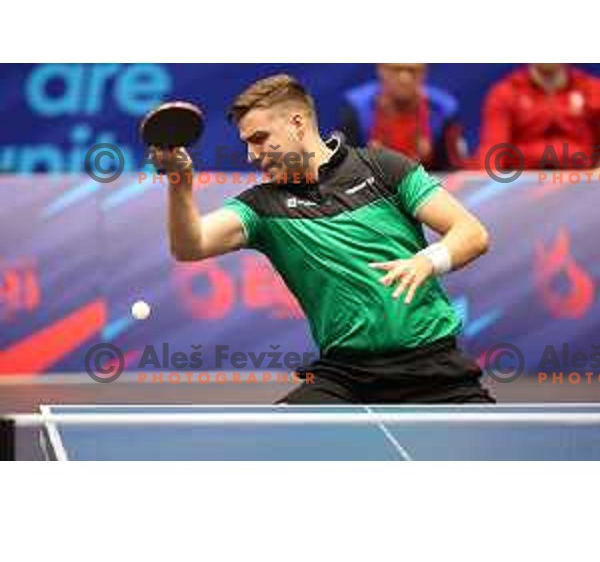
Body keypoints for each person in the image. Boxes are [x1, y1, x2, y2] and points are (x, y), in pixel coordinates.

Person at [152, 74, 493, 404]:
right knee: (272, 447)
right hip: (345, 376)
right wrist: (180, 184)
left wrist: (426, 261)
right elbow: (189, 246)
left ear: (297, 123)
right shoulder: (262, 206)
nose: (251, 155)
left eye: (259, 138)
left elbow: (472, 233)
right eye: (247, 143)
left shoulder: (384, 169)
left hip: (434, 369)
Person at [339, 63, 467, 170]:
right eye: (396, 69)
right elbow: (344, 168)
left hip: (426, 192)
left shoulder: (443, 110)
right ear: (381, 69)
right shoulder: (357, 108)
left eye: (412, 71)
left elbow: (454, 171)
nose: (404, 78)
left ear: (424, 72)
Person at [477, 63, 600, 170]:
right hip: (520, 187)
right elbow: (492, 152)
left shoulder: (593, 90)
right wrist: (490, 187)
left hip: (582, 184)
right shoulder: (505, 93)